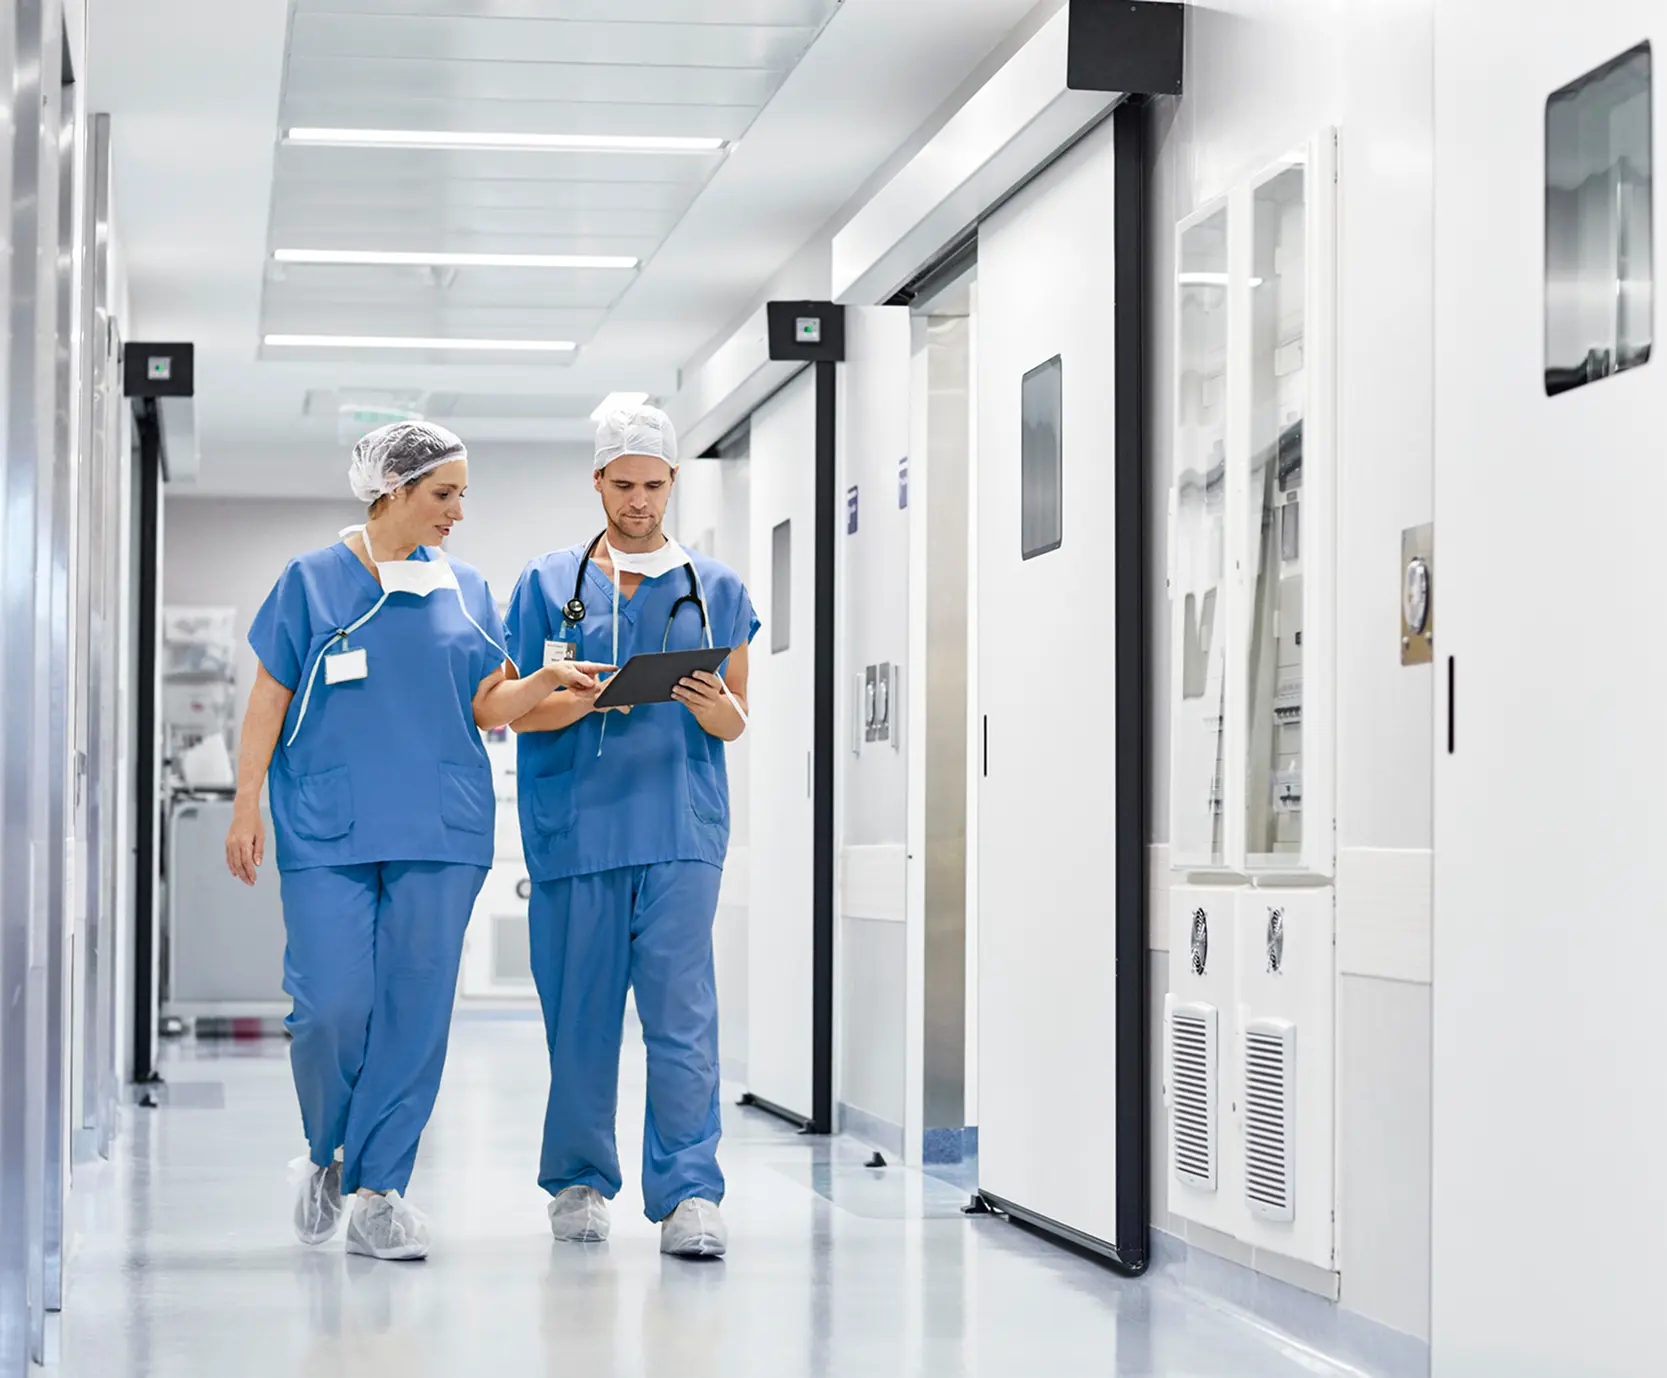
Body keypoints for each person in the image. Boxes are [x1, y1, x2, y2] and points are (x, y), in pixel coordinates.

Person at [224, 421, 608, 1261]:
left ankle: (378, 1191)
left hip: (442, 826)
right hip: (329, 824)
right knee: (329, 1009)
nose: (458, 512)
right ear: (390, 491)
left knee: (415, 1012)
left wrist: (545, 682)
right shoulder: (311, 582)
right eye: (444, 494)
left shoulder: (466, 587)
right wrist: (245, 801)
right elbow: (268, 697)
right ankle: (328, 1155)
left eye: (462, 494)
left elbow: (489, 705)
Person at [506, 403, 758, 1258]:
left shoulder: (715, 588)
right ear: (598, 483)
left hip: (680, 826)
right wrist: (570, 695)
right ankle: (577, 1183)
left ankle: (689, 1193)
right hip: (575, 829)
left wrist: (719, 706)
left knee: (682, 1018)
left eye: (653, 485)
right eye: (624, 485)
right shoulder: (546, 582)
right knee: (579, 1018)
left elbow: (735, 723)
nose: (640, 501)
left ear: (673, 482)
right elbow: (516, 716)